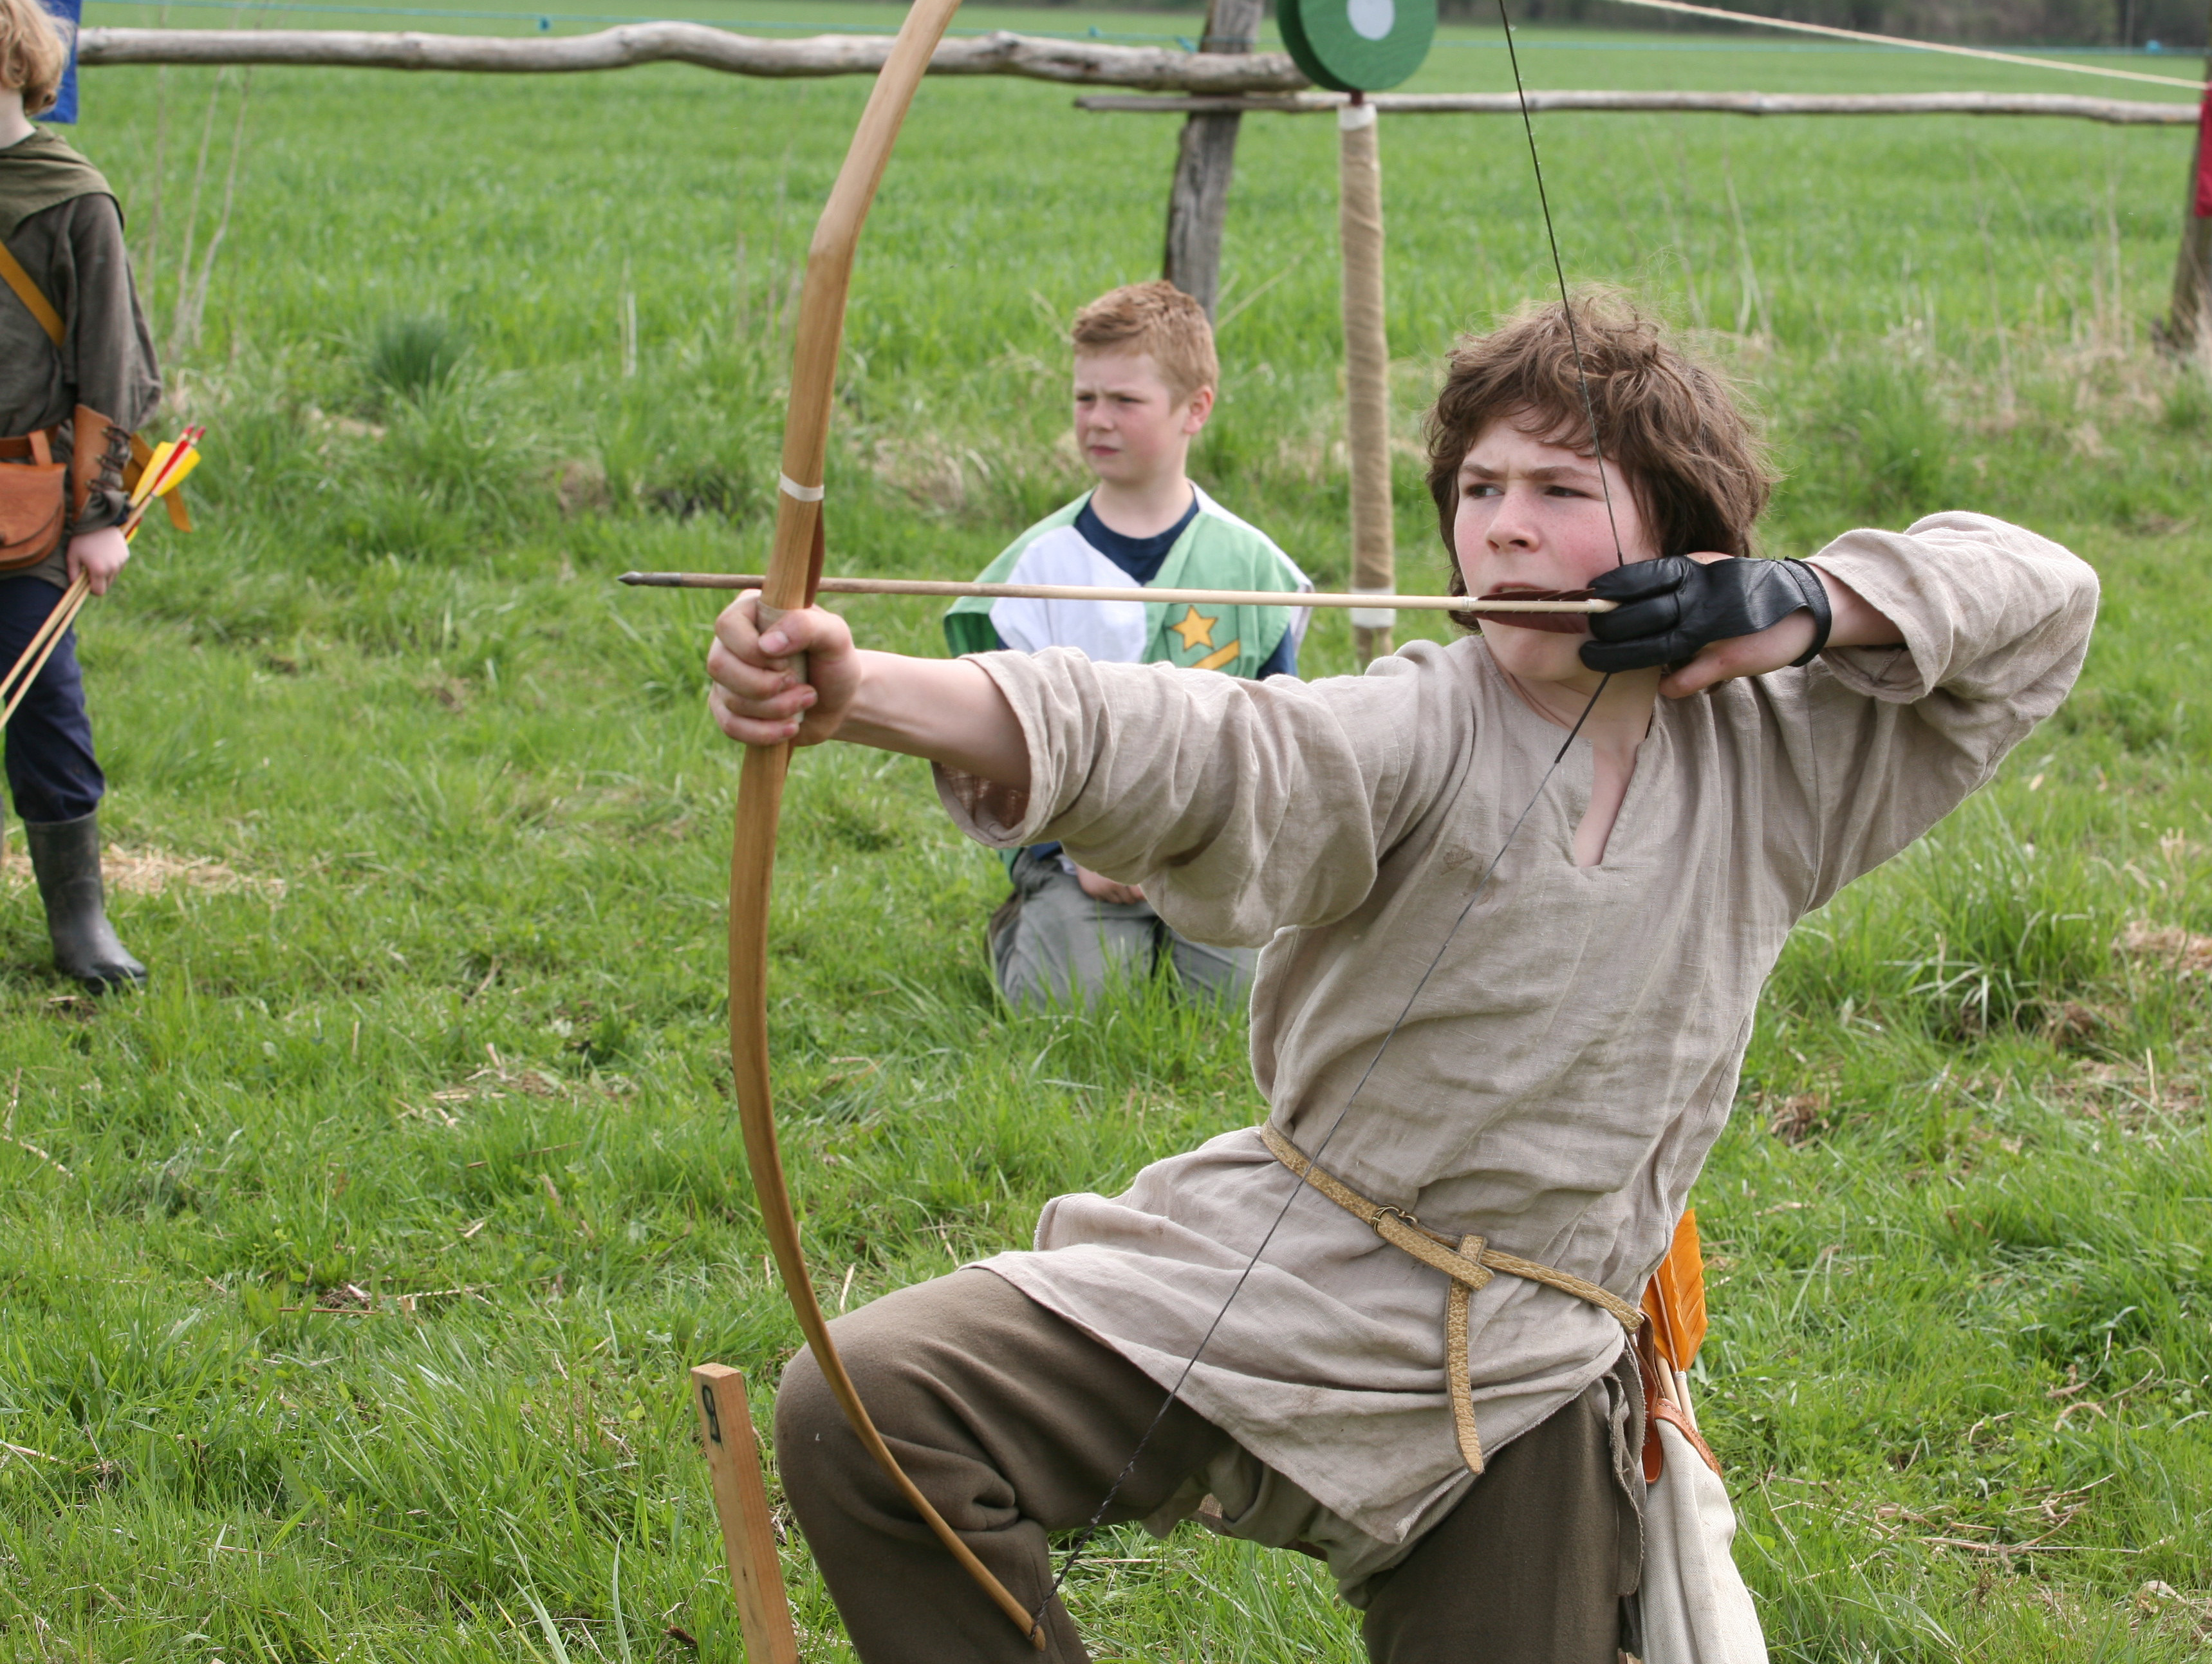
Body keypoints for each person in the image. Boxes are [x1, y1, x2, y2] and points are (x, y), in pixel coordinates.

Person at [709, 297, 2098, 1664]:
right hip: (1283, 1273)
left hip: (1530, 1363)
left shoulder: (1784, 758)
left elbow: (2043, 599)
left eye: (1561, 489)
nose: (1503, 526)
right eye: (1480, 488)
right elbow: (1208, 744)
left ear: (1685, 542)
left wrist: (1807, 603)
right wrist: (864, 691)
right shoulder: (1422, 719)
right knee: (872, 1404)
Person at [943, 279, 1310, 1009]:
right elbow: (998, 750)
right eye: (1085, 398)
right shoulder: (1034, 569)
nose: (1098, 420)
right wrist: (1072, 850)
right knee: (1072, 1004)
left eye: (1125, 401)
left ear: (1195, 408)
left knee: (1243, 1006)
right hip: (1076, 851)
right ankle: (1026, 919)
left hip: (1207, 852)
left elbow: (1279, 741)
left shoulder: (1255, 569)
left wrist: (1217, 847)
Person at [0, 0, 158, 992]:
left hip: (22, 507)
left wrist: (102, 515)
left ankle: (80, 921)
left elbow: (114, 368)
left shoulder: (71, 199)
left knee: (43, 708)